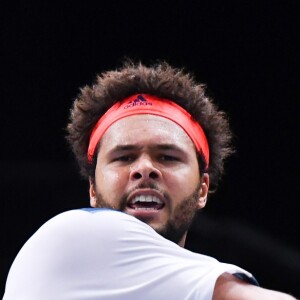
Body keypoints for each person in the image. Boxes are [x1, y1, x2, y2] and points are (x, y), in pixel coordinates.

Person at [3, 61, 296, 299]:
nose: (144, 169)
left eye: (168, 157)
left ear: (203, 189)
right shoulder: (65, 240)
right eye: (124, 157)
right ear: (92, 189)